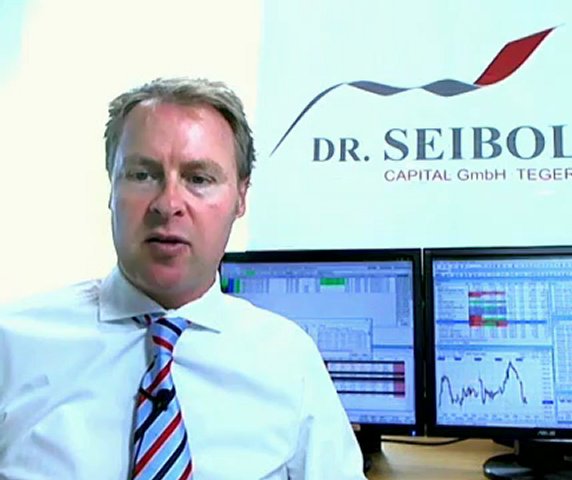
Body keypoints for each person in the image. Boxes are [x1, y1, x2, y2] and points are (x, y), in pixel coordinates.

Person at [0, 77, 365, 479]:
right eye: (143, 174)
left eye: (199, 178)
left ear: (241, 197)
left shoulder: (290, 360)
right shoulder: (11, 343)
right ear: (111, 187)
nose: (168, 204)